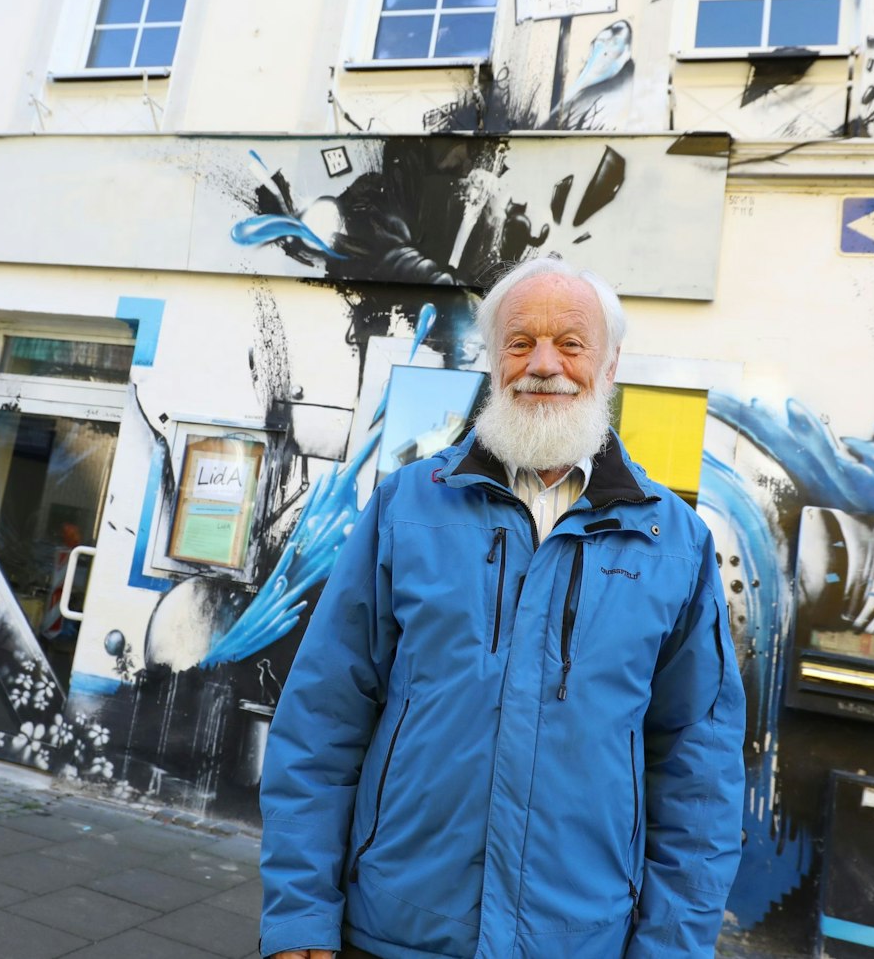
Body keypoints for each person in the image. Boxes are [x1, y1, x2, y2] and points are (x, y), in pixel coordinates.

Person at [260, 255, 746, 959]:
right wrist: (300, 911)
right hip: (396, 929)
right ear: (492, 361)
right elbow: (322, 718)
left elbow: (697, 770)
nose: (542, 363)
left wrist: (672, 945)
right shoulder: (409, 506)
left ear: (609, 366)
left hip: (580, 938)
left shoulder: (673, 543)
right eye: (519, 342)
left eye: (570, 343)